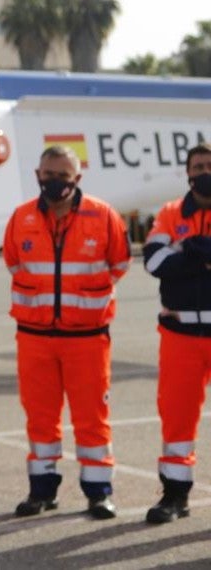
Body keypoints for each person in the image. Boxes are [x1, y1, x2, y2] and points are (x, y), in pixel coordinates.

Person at [3, 145, 130, 520]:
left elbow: (120, 263)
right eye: (48, 174)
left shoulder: (103, 215)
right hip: (34, 337)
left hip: (87, 339)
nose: (54, 182)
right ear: (38, 174)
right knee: (40, 418)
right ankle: (42, 491)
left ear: (77, 179)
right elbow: (14, 261)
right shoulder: (21, 217)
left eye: (63, 175)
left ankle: (99, 492)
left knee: (92, 418)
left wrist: (84, 297)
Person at [141, 141, 211, 524]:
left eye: (209, 165)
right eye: (198, 165)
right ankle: (174, 495)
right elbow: (154, 260)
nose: (204, 171)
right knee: (177, 418)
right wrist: (200, 255)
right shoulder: (169, 213)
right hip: (180, 334)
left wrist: (184, 252)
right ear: (187, 172)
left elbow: (170, 260)